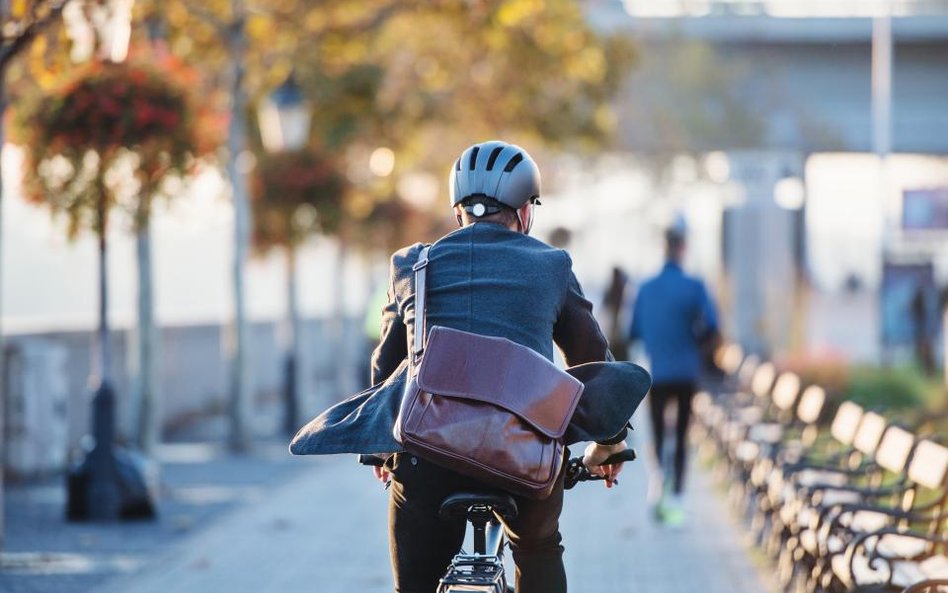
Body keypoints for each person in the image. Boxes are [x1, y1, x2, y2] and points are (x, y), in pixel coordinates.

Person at [369, 140, 630, 593]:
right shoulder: (551, 265)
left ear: (458, 213)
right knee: (538, 547)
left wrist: (381, 450)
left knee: (413, 582)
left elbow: (387, 369)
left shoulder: (414, 264)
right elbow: (592, 362)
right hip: (525, 457)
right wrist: (608, 445)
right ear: (526, 212)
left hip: (429, 457)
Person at [629, 222, 719, 527]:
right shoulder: (695, 286)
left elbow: (634, 331)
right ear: (682, 249)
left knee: (656, 433)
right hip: (686, 370)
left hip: (656, 372)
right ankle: (678, 496)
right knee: (681, 434)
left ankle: (657, 486)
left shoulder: (645, 288)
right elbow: (712, 328)